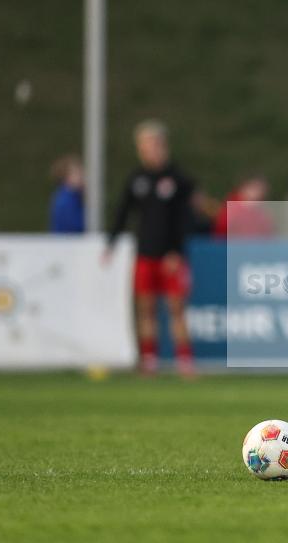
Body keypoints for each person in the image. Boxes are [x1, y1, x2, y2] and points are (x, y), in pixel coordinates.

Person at [104, 119, 202, 376]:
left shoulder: (178, 179)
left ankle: (185, 361)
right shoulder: (137, 179)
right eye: (144, 146)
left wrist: (177, 251)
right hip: (145, 254)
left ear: (163, 145)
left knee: (176, 309)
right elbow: (123, 212)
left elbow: (186, 220)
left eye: (153, 144)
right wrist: (111, 243)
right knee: (145, 309)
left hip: (171, 256)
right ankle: (149, 360)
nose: (149, 150)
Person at [213, 173, 275, 238]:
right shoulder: (232, 208)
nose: (259, 193)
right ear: (245, 187)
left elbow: (268, 232)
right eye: (255, 188)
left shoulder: (261, 211)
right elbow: (221, 232)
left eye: (262, 190)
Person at [49, 154, 85, 233]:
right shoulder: (65, 200)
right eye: (77, 173)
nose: (82, 176)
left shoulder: (74, 196)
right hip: (67, 244)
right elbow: (77, 226)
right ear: (66, 176)